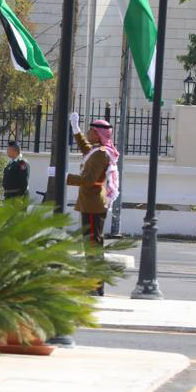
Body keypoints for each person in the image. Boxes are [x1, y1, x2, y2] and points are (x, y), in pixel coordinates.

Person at [67, 113, 119, 296]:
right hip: (91, 203)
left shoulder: (100, 155)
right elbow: (84, 147)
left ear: (98, 134)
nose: (88, 134)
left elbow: (89, 179)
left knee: (92, 245)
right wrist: (76, 129)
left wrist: (66, 177)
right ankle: (95, 285)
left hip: (93, 204)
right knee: (92, 244)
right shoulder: (96, 151)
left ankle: (96, 287)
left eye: (90, 131)